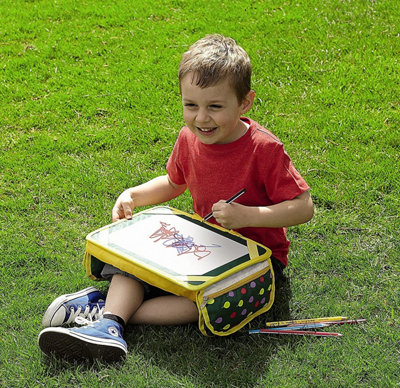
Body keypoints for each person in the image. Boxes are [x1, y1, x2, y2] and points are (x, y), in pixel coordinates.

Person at [38, 34, 314, 362]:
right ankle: (109, 326)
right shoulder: (189, 138)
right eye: (191, 105)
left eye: (215, 107)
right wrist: (134, 194)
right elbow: (173, 182)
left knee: (202, 301)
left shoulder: (264, 149)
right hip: (202, 245)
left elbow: (303, 207)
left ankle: (107, 313)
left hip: (257, 261)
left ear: (245, 103)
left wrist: (247, 217)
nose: (201, 118)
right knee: (135, 264)